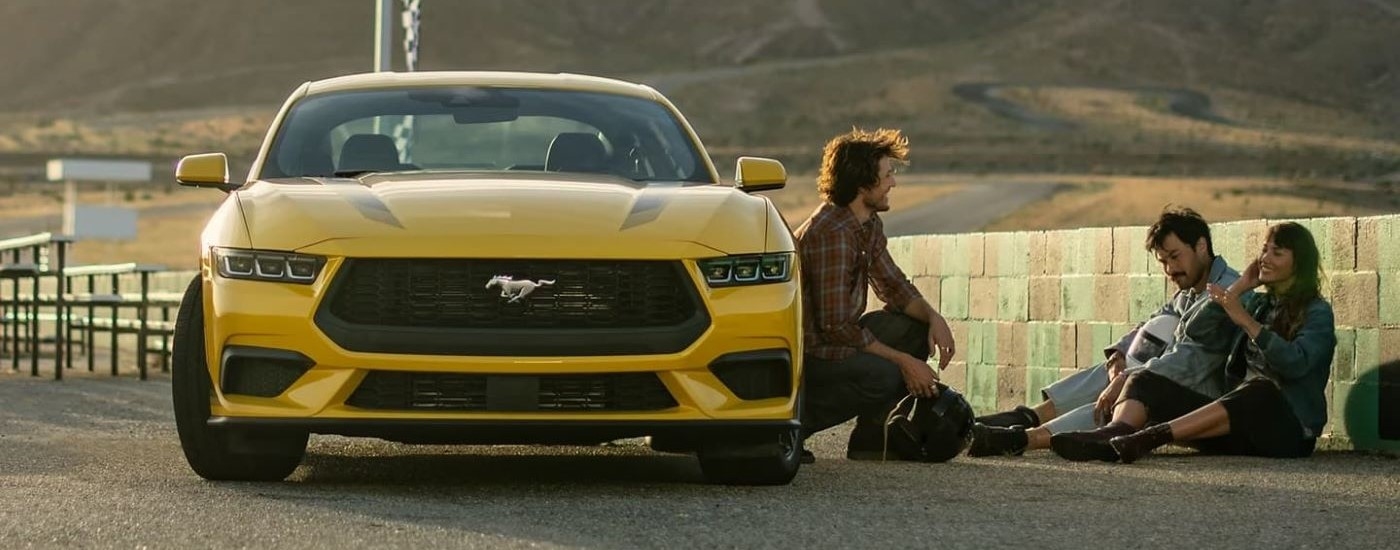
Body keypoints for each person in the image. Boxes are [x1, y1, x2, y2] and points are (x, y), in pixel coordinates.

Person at [1052, 222, 1335, 462]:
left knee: (1260, 390)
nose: (1266, 258)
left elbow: (1297, 364)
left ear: (1299, 262)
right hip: (1235, 429)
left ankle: (1148, 438)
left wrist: (1248, 324)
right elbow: (1198, 330)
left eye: (1277, 252)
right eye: (1264, 249)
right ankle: (1114, 436)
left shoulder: (1317, 312)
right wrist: (1237, 289)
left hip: (1287, 434)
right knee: (1143, 378)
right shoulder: (1259, 303)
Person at [969, 207, 1239, 457]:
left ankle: (1025, 438)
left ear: (1201, 246)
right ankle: (1028, 417)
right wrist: (1119, 356)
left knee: (1130, 390)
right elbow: (1154, 320)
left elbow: (1187, 362)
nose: (1169, 269)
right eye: (1164, 261)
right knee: (1117, 371)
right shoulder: (1190, 290)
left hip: (1205, 403)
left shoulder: (1226, 291)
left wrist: (1126, 379)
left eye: (1175, 257)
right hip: (1170, 383)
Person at [795, 127, 957, 462]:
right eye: (887, 175)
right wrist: (904, 362)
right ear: (862, 182)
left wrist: (933, 318)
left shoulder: (866, 223)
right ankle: (794, 427)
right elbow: (836, 326)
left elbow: (894, 286)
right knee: (884, 374)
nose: (893, 183)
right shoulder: (832, 234)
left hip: (837, 341)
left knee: (912, 329)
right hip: (810, 353)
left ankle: (871, 440)